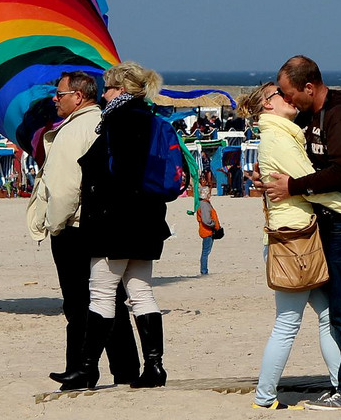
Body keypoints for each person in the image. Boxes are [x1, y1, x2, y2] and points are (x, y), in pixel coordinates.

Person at [261, 55, 341, 410]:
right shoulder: (313, 116)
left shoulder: (340, 116)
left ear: (308, 87)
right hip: (327, 224)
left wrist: (294, 186)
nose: (287, 99)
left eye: (288, 92)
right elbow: (310, 164)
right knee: (335, 311)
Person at [238, 82, 341, 410]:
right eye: (279, 93)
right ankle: (264, 397)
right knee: (287, 323)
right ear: (268, 105)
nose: (287, 96)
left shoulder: (284, 135)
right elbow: (311, 186)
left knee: (326, 315)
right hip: (294, 242)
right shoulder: (278, 139)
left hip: (298, 237)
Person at [54, 63, 176, 392]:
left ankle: (85, 369)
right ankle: (154, 367)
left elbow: (117, 174)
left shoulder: (118, 120)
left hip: (116, 223)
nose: (104, 94)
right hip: (148, 221)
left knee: (102, 296)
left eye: (107, 88)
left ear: (121, 89)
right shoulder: (150, 118)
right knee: (141, 293)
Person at [27, 70, 129, 389]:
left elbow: (64, 187)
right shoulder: (104, 120)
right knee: (110, 297)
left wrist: (54, 226)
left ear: (78, 97)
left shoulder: (74, 131)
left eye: (60, 94)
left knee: (77, 303)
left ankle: (79, 369)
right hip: (103, 223)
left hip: (75, 226)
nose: (54, 99)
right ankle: (126, 368)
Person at [196, 199, 222, 276]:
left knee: (206, 252)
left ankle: (204, 270)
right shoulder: (204, 204)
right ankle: (204, 271)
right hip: (207, 231)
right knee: (205, 252)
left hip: (207, 230)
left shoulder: (204, 203)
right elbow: (206, 220)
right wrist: (214, 224)